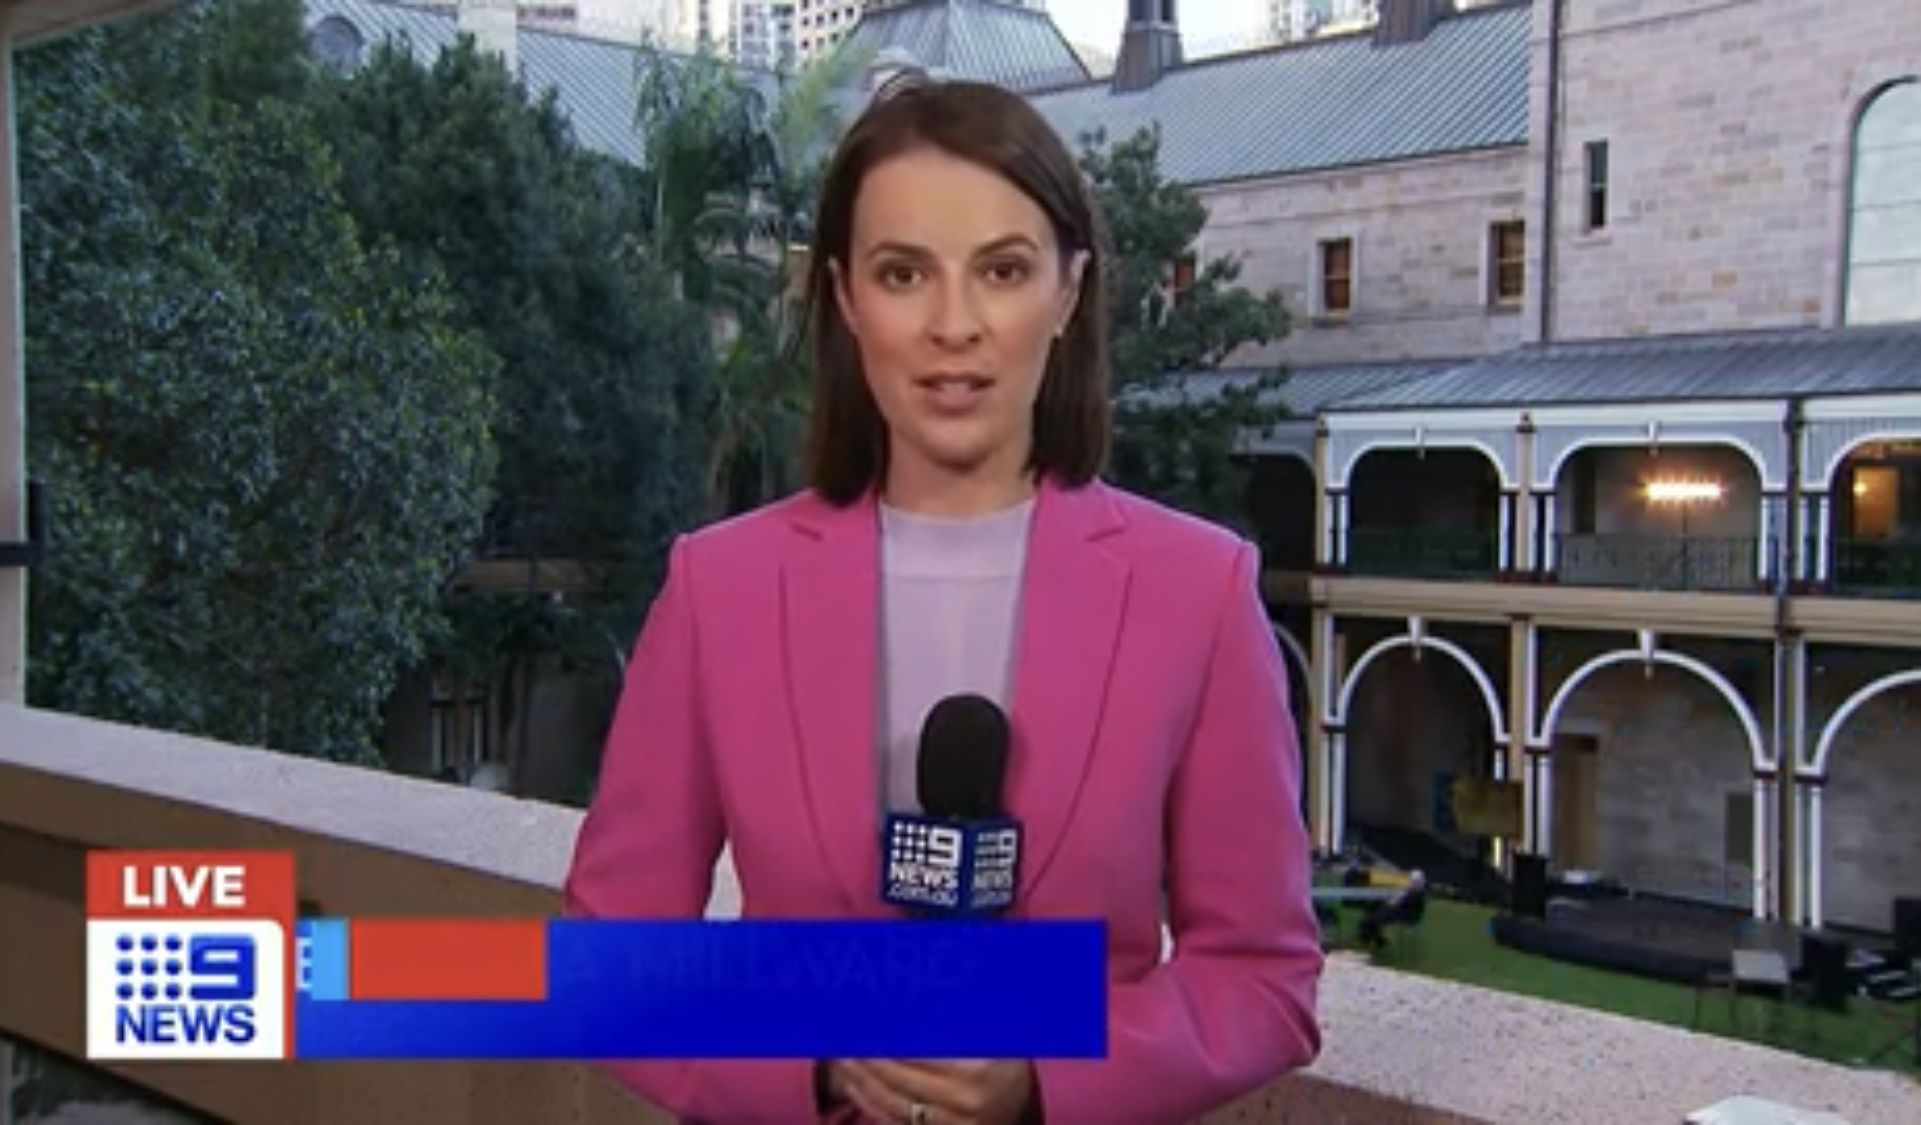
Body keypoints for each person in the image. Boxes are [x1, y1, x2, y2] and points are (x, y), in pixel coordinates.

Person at [563, 74, 1323, 1125]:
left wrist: (1045, 1073)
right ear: (844, 298)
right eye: (903, 273)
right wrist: (816, 1054)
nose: (952, 325)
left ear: (1067, 293)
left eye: (1001, 271)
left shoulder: (1198, 591)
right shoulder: (719, 587)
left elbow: (1261, 977)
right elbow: (607, 963)